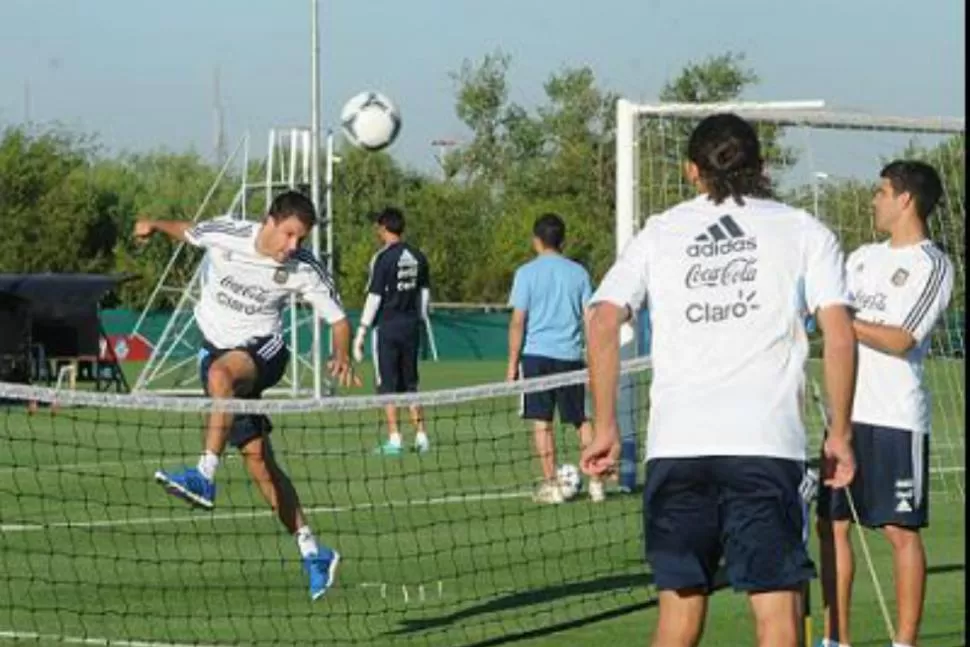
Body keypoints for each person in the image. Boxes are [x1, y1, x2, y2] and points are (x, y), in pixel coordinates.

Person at [580, 113, 858, 647]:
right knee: (777, 614)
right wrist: (840, 434)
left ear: (691, 171)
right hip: (763, 447)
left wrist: (607, 425)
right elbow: (839, 335)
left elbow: (602, 319)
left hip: (676, 448)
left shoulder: (661, 231)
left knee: (679, 616)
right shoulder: (803, 229)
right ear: (763, 166)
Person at [134, 190, 360, 601]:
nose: (294, 246)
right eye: (289, 235)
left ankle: (203, 474)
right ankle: (314, 551)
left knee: (220, 375)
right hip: (216, 351)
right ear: (270, 220)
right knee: (259, 462)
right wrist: (153, 223)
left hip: (264, 351)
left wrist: (341, 353)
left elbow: (340, 320)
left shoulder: (303, 268)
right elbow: (189, 232)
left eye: (301, 239)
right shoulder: (227, 233)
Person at [816, 161, 954, 647]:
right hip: (844, 416)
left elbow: (900, 340)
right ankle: (835, 639)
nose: (873, 200)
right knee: (832, 525)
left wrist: (843, 325)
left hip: (895, 417)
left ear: (905, 200)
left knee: (899, 531)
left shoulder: (932, 265)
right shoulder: (859, 258)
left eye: (880, 192)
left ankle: (905, 640)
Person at [506, 213, 600, 504]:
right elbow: (590, 319)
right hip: (571, 358)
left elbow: (518, 321)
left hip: (536, 358)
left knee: (541, 422)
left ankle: (552, 486)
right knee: (581, 421)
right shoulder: (579, 273)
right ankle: (597, 483)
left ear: (536, 240)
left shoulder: (526, 273)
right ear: (563, 240)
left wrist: (511, 363)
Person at [352, 207, 432, 455]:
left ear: (383, 228)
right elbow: (425, 295)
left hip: (387, 328)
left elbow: (375, 296)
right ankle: (421, 437)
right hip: (410, 327)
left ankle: (395, 439)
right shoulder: (419, 256)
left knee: (386, 384)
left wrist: (362, 332)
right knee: (410, 383)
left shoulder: (383, 258)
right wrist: (419, 320)